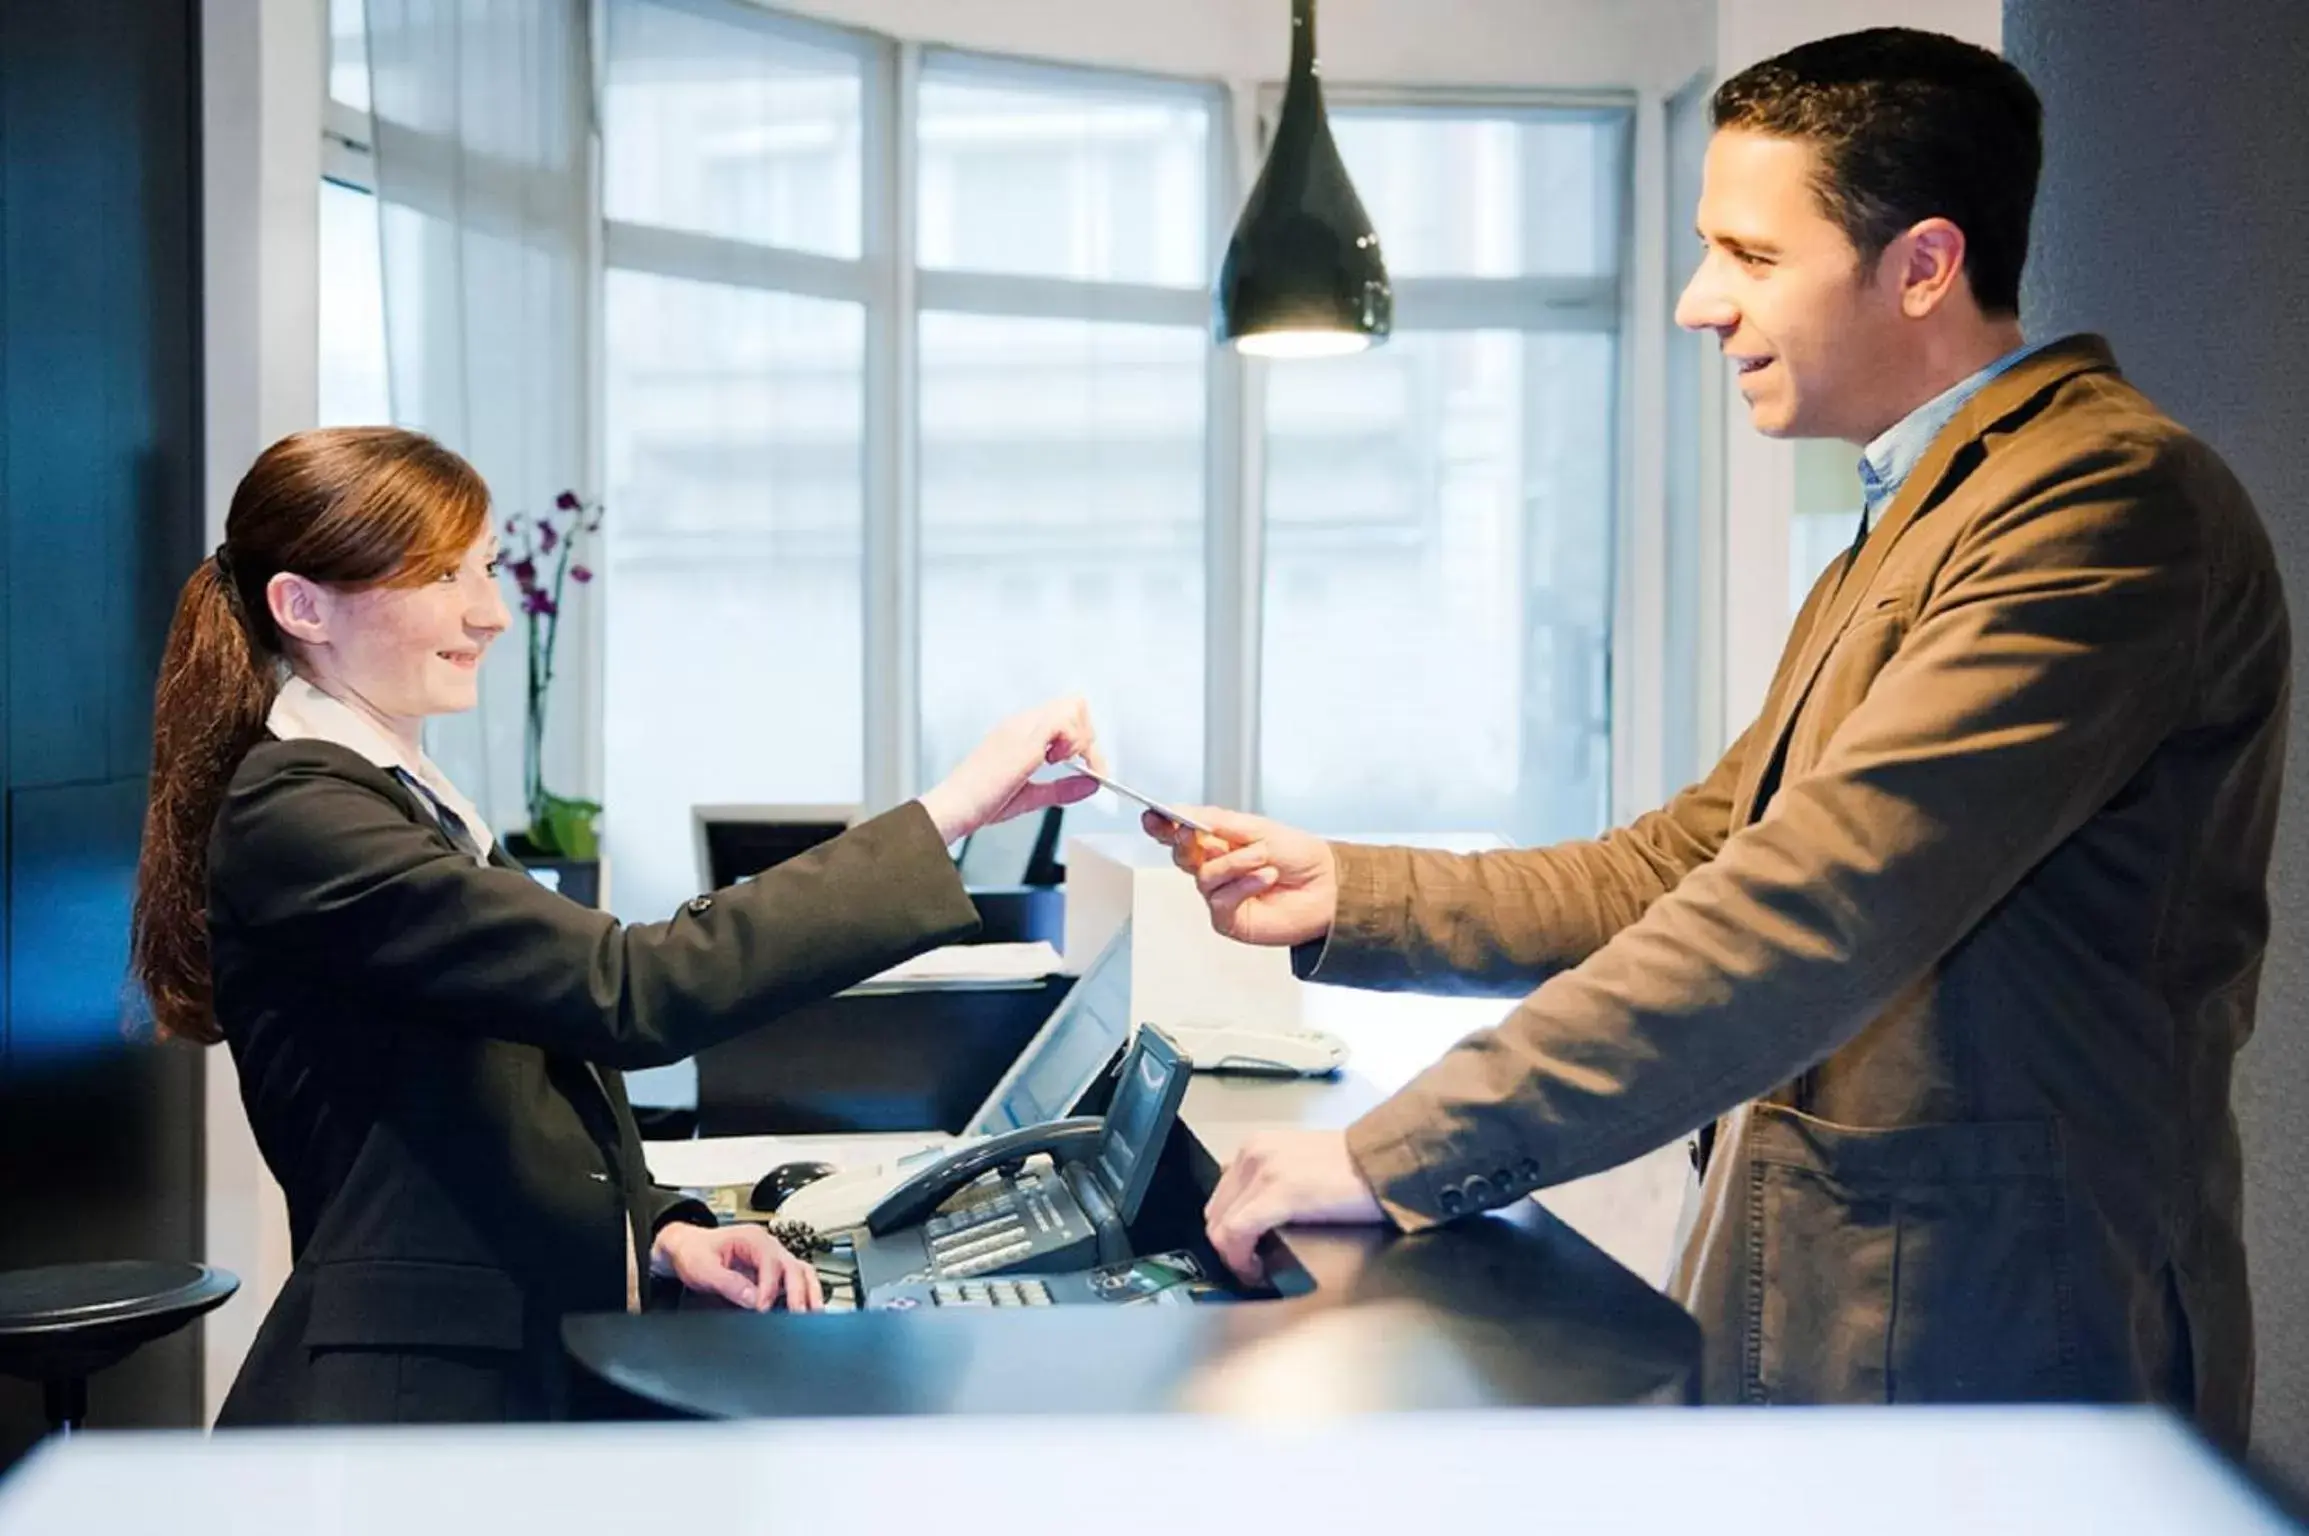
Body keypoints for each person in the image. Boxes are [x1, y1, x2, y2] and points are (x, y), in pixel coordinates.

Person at [1150, 28, 2287, 1445]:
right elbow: (1687, 858)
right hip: (1864, 1307)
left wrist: (1398, 1152)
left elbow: (1812, 901)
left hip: (1995, 1344)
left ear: (1922, 265)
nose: (1699, 303)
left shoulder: (2105, 508)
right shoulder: (1918, 514)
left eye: (1749, 257)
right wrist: (1359, 888)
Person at [130, 426, 1106, 1424]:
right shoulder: (303, 810)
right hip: (416, 1398)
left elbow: (509, 1082)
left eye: (488, 569)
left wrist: (659, 1227)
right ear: (302, 607)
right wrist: (950, 811)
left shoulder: (393, 794)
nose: (491, 613)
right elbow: (624, 989)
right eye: (440, 577)